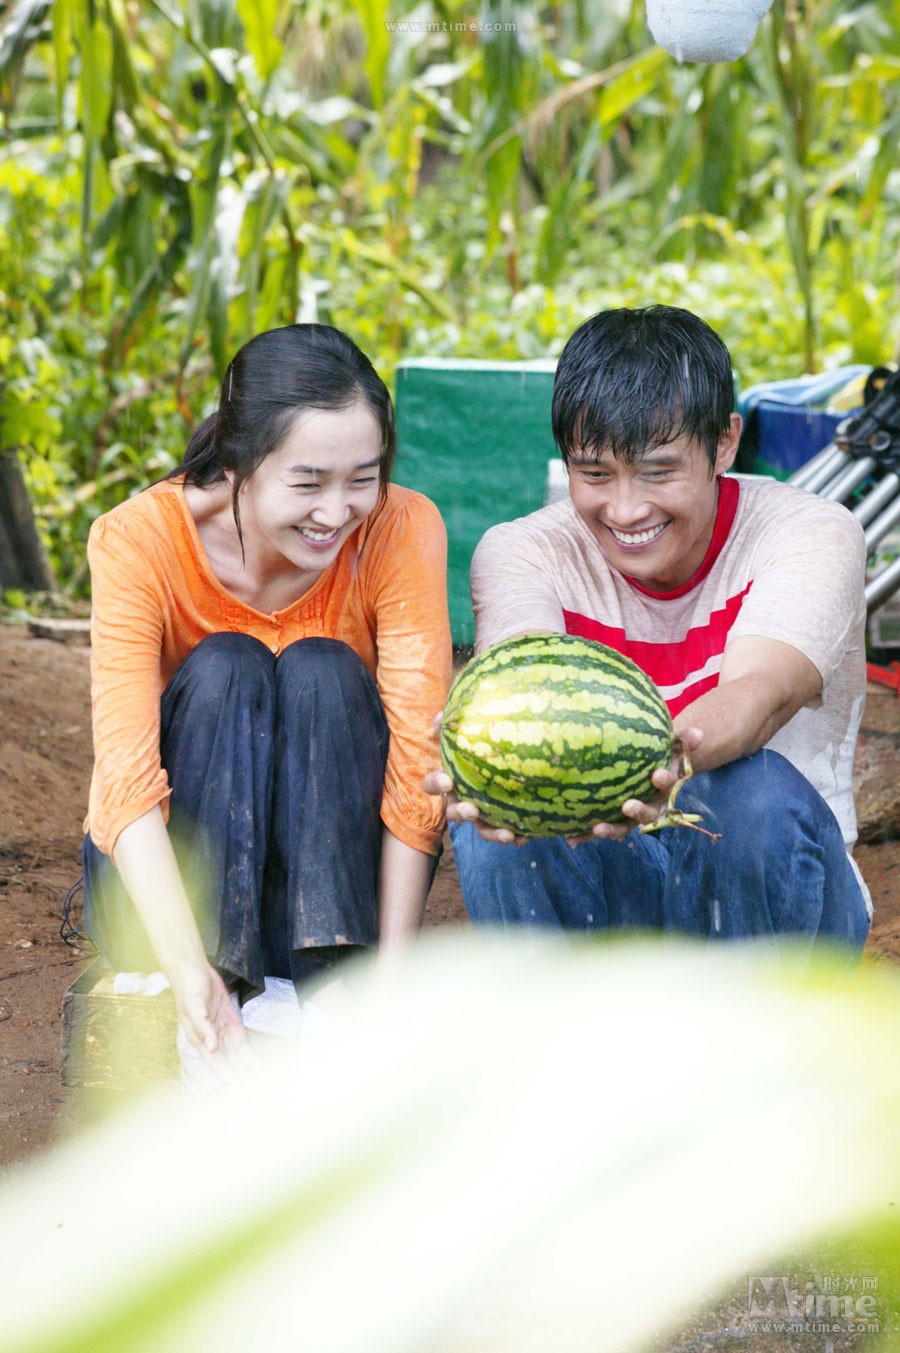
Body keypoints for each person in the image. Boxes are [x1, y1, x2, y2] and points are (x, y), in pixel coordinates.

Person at [427, 305, 871, 954]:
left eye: (658, 471)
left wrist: (657, 764)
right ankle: (571, 1042)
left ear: (723, 442)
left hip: (778, 890)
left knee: (745, 793)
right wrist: (483, 763)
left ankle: (758, 1047)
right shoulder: (522, 552)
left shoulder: (810, 531)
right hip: (613, 880)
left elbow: (760, 691)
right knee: (492, 820)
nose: (627, 508)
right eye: (595, 473)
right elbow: (519, 697)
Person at [83, 323, 452, 1061]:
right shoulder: (137, 540)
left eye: (362, 477)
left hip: (329, 892)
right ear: (239, 461)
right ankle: (215, 990)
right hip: (172, 889)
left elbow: (419, 760)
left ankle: (331, 983)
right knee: (228, 663)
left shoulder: (402, 526)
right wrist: (192, 974)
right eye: (308, 481)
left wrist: (388, 979)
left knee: (322, 667)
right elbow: (124, 782)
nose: (337, 511)